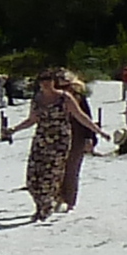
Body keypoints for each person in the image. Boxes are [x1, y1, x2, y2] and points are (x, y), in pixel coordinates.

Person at [26, 67, 95, 219]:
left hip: (76, 136)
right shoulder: (43, 96)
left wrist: (91, 137)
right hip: (51, 138)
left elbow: (84, 116)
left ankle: (69, 202)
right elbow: (34, 117)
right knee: (50, 172)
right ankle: (54, 200)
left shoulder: (74, 96)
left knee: (70, 170)